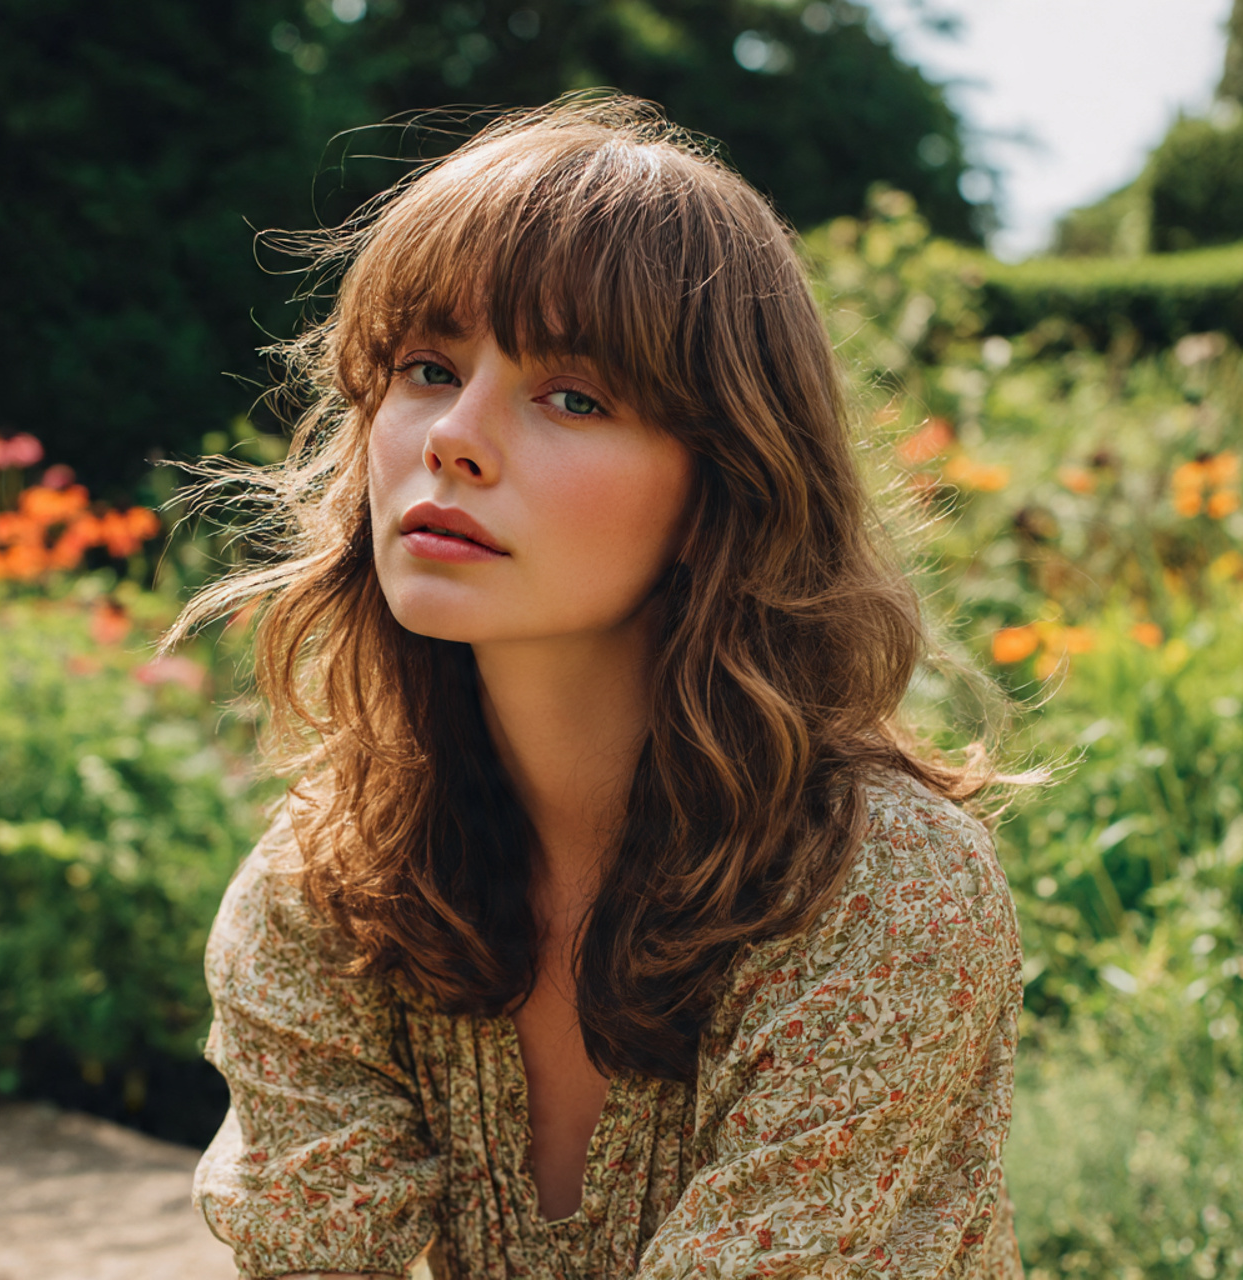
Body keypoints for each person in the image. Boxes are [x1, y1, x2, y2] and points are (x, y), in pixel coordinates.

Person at [182, 95, 1026, 1280]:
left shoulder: (880, 886)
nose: (452, 437)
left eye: (572, 395)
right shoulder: (327, 886)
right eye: (426, 367)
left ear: (722, 491)